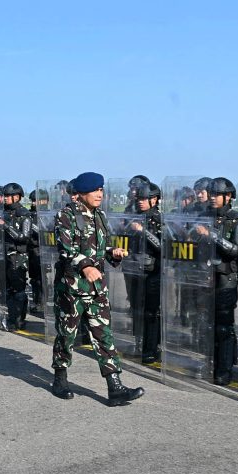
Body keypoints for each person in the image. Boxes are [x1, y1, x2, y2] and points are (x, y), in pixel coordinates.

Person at [51, 171, 145, 406]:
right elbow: (66, 249)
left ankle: (115, 388)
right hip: (72, 288)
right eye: (95, 190)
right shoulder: (66, 215)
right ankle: (60, 379)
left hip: (96, 288)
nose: (99, 194)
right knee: (67, 335)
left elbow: (99, 248)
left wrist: (113, 252)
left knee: (104, 335)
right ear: (81, 193)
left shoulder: (100, 216)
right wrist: (85, 266)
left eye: (101, 190)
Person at [195, 178, 238, 385]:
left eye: (217, 194)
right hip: (206, 276)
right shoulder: (203, 217)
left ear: (228, 197)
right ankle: (210, 362)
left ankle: (224, 368)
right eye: (212, 194)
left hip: (226, 277)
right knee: (206, 324)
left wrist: (212, 235)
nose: (213, 198)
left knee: (224, 326)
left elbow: (237, 250)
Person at [130, 182, 162, 363]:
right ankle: (139, 343)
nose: (140, 202)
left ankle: (152, 347)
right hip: (135, 269)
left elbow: (162, 246)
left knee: (151, 313)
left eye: (144, 198)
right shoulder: (135, 218)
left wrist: (144, 232)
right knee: (136, 309)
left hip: (153, 272)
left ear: (154, 199)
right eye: (139, 198)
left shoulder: (159, 220)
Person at [0, 182, 32, 330]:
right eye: (4, 196)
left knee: (19, 290)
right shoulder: (4, 213)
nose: (5, 198)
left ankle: (20, 320)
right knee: (9, 290)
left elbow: (24, 237)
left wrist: (6, 226)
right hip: (5, 255)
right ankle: (11, 317)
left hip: (18, 256)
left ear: (17, 197)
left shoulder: (24, 214)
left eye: (8, 196)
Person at [28, 188, 49, 314]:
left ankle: (42, 302)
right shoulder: (30, 214)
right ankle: (37, 301)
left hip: (42, 250)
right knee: (34, 278)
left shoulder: (47, 214)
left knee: (42, 279)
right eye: (32, 201)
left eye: (36, 201)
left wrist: (34, 228)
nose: (34, 203)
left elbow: (46, 231)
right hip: (31, 249)